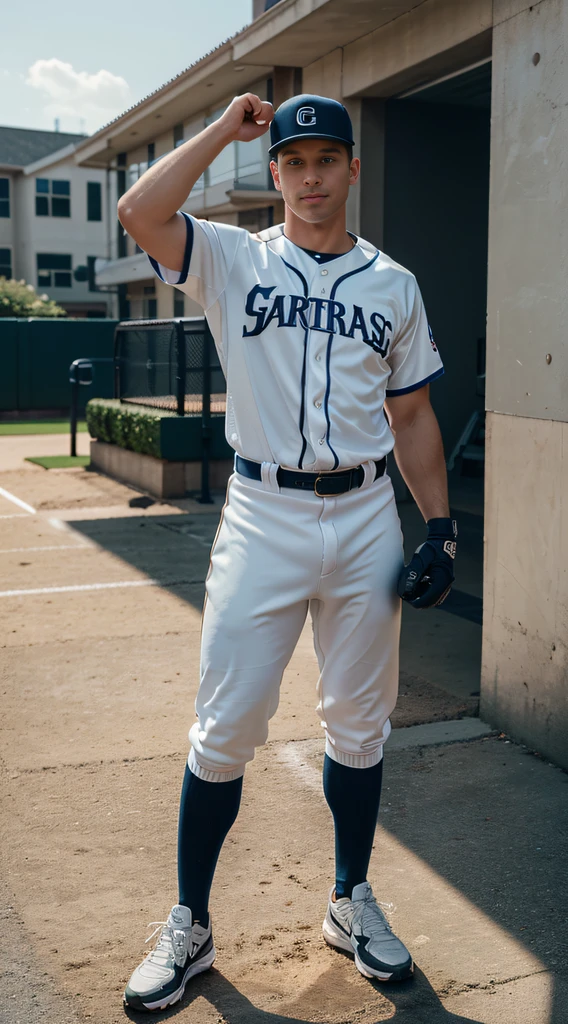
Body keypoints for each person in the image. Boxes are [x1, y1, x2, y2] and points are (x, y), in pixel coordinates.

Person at [118, 92, 457, 1013]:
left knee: (360, 723)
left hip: (362, 516)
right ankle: (189, 922)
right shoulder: (232, 258)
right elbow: (140, 214)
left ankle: (350, 901)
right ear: (274, 174)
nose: (311, 177)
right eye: (294, 161)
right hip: (262, 513)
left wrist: (441, 525)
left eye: (326, 160)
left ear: (352, 170)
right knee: (224, 728)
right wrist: (220, 131)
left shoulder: (393, 283)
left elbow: (413, 413)